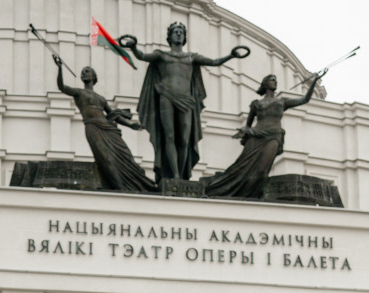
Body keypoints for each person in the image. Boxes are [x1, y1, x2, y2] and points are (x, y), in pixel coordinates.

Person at [119, 23, 249, 181]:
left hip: (186, 100)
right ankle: (174, 176)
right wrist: (132, 47)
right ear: (170, 37)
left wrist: (232, 56)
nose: (179, 35)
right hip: (166, 96)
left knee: (185, 140)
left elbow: (214, 62)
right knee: (169, 136)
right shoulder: (162, 55)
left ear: (185, 37)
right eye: (175, 32)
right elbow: (142, 56)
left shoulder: (191, 57)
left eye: (181, 32)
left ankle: (181, 174)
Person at [203, 72, 324, 200]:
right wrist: (244, 131)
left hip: (273, 136)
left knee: (261, 170)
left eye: (276, 80)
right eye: (272, 80)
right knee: (241, 166)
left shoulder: (282, 102)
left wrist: (314, 82)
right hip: (256, 136)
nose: (275, 82)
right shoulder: (256, 104)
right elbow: (248, 125)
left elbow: (304, 99)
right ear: (265, 84)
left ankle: (251, 194)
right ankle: (221, 190)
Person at [52, 57, 157, 192]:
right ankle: (120, 187)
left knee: (125, 155)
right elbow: (62, 87)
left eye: (87, 71)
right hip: (93, 127)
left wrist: (130, 125)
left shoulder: (101, 98)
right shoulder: (79, 92)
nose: (84, 72)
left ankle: (138, 186)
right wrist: (60, 68)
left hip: (108, 128)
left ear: (94, 77)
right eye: (83, 71)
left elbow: (114, 115)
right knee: (106, 159)